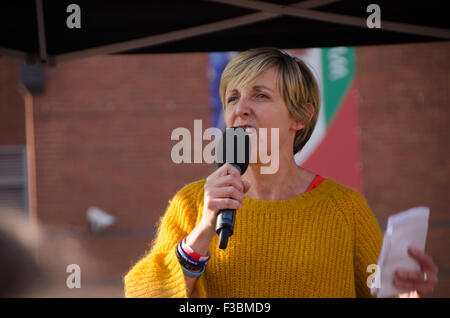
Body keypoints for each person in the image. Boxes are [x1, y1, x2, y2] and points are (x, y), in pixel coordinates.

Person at [123, 47, 438, 298]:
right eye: (233, 97)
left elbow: (386, 293)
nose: (240, 109)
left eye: (260, 95)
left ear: (299, 116)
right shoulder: (193, 204)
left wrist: (408, 292)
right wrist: (202, 232)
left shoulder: (345, 209)